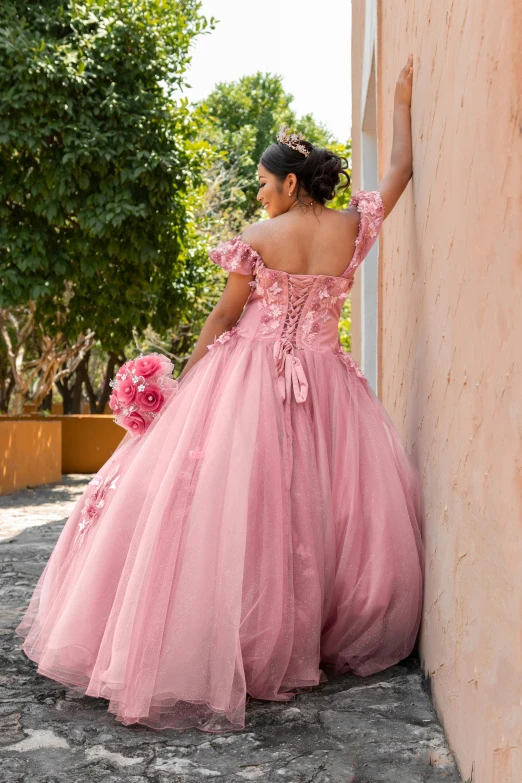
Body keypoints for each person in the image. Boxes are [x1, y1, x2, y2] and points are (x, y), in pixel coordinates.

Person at [15, 55, 424, 734]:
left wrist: (185, 386)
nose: (259, 194)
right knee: (322, 509)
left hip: (255, 383)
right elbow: (402, 170)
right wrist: (404, 101)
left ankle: (240, 639)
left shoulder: (259, 238)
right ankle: (316, 629)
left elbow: (223, 318)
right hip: (331, 388)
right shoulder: (353, 230)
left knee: (247, 509)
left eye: (265, 183)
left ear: (291, 183)